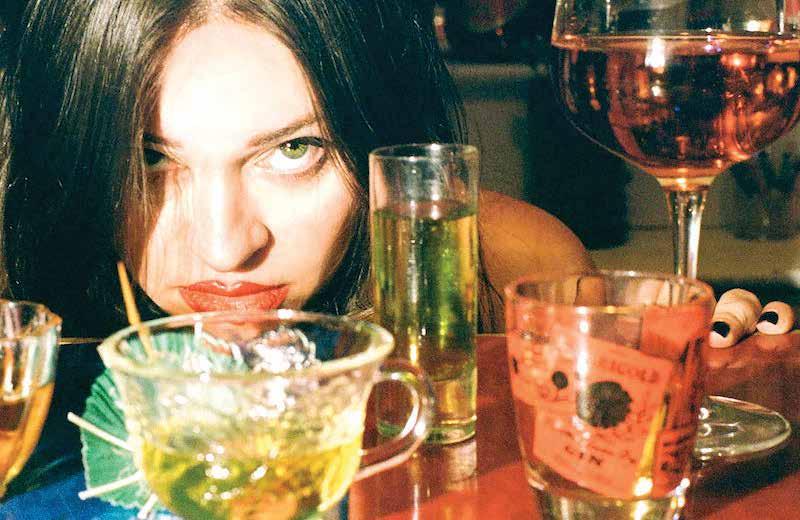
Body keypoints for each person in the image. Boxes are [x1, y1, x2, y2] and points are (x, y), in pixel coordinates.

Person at [0, 0, 794, 504]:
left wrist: (722, 383)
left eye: (294, 150)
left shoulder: (506, 269)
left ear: (379, 145)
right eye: (151, 159)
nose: (227, 246)